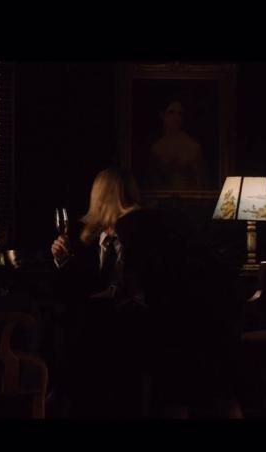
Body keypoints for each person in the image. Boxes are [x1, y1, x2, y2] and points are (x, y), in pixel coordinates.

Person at [51, 166, 241, 418]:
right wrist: (63, 262)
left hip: (160, 325)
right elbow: (85, 285)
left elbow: (142, 286)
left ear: (100, 198)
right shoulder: (98, 238)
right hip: (146, 322)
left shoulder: (138, 229)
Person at [144, 98, 205, 190]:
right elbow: (151, 183)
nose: (176, 118)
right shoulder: (156, 148)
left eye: (180, 113)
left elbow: (200, 183)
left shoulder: (193, 147)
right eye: (171, 112)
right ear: (162, 115)